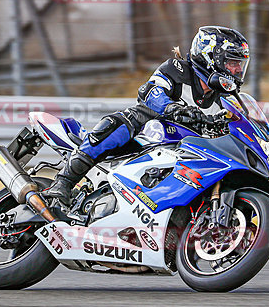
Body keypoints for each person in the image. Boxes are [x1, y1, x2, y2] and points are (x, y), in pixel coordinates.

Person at [41, 25, 251, 207]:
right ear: (209, 57)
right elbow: (151, 92)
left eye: (239, 65)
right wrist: (172, 109)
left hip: (185, 152)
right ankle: (63, 183)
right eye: (231, 63)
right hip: (146, 130)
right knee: (114, 127)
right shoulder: (177, 70)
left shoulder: (226, 98)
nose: (236, 70)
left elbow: (243, 124)